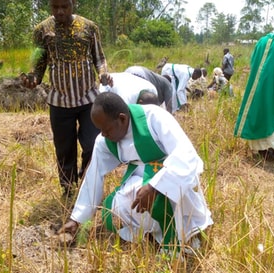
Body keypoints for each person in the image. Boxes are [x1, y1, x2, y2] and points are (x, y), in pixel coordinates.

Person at [58, 92, 213, 254]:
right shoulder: (105, 140)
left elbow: (186, 155)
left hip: (173, 179)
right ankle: (153, 233)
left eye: (106, 129)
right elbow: (93, 176)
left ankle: (179, 237)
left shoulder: (155, 118)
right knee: (113, 209)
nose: (103, 134)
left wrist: (154, 187)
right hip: (139, 182)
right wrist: (76, 219)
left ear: (122, 119)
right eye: (100, 130)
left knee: (163, 199)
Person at [21, 0, 110, 194]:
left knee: (92, 144)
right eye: (55, 7)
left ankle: (88, 182)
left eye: (65, 6)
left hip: (88, 100)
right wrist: (33, 78)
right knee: (64, 149)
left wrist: (103, 73)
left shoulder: (89, 27)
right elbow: (38, 63)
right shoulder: (42, 30)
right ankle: (68, 188)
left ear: (73, 4)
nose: (60, 11)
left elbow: (99, 57)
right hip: (59, 101)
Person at [234, 19, 274, 161]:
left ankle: (258, 149)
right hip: (272, 88)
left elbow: (253, 61)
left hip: (255, 87)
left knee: (257, 112)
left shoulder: (262, 41)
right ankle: (272, 151)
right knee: (273, 115)